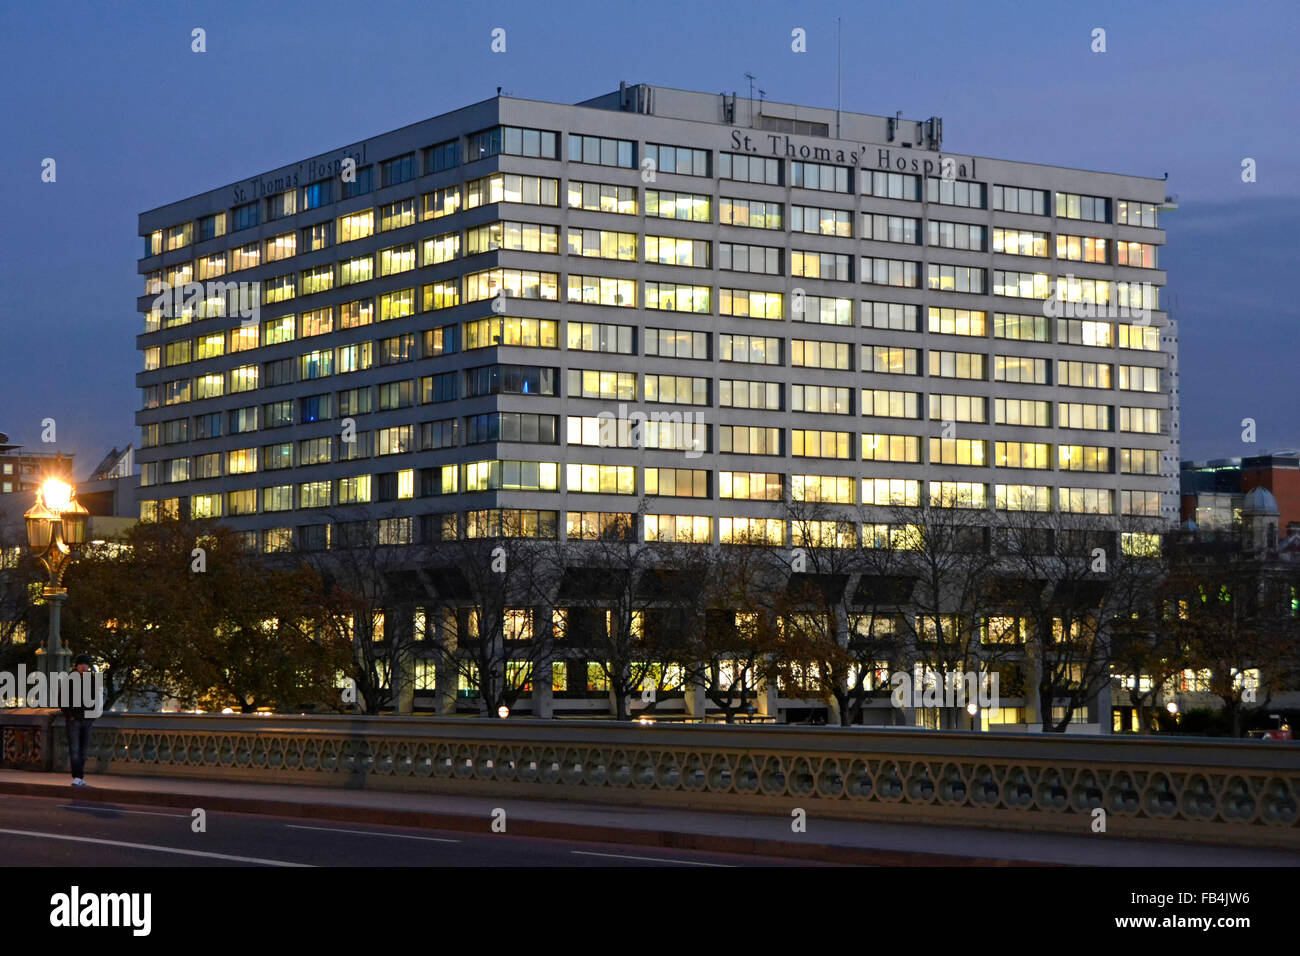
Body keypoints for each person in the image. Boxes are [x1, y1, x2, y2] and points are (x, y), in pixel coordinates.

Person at [62, 654, 95, 787]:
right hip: (74, 720)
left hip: (87, 720)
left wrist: (93, 716)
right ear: (77, 666)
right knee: (75, 749)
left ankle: (80, 776)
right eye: (81, 664)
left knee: (83, 750)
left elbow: (96, 698)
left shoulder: (92, 680)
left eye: (86, 664)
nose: (84, 667)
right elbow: (63, 700)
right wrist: (70, 716)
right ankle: (77, 776)